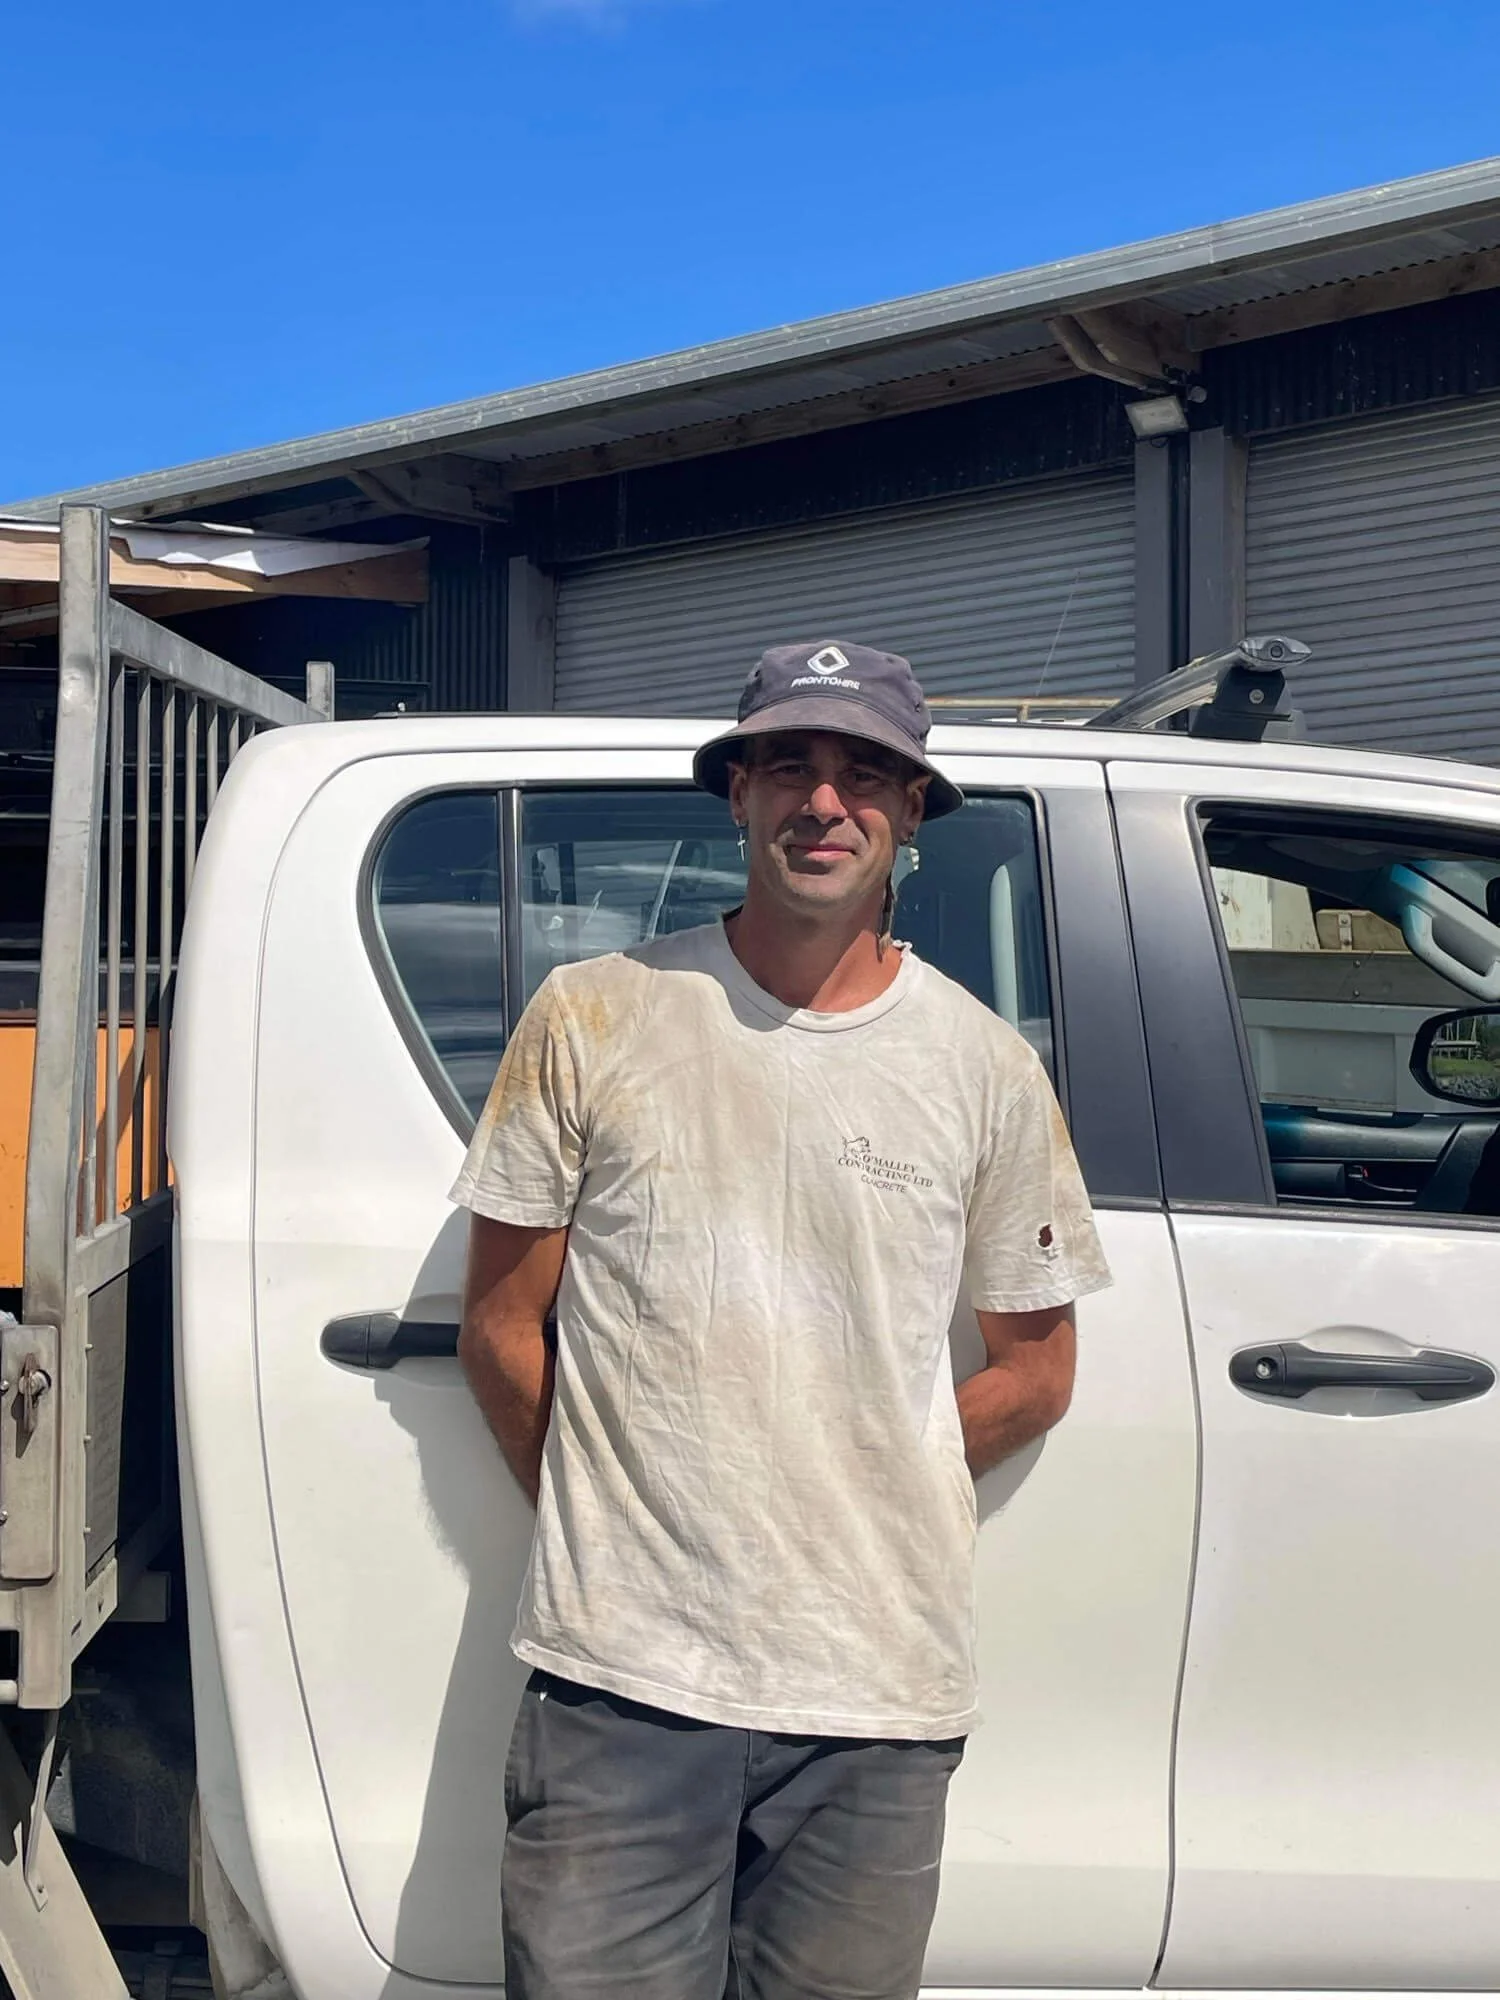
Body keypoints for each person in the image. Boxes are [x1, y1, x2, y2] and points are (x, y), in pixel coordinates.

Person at [451, 639, 1111, 2000]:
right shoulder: (594, 1018)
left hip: (877, 1695)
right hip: (621, 1686)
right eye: (792, 768)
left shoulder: (986, 1067)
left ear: (913, 811)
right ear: (738, 794)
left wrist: (859, 1481)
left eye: (866, 774)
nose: (827, 803)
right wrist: (622, 1523)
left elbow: (1036, 1371)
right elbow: (503, 1328)